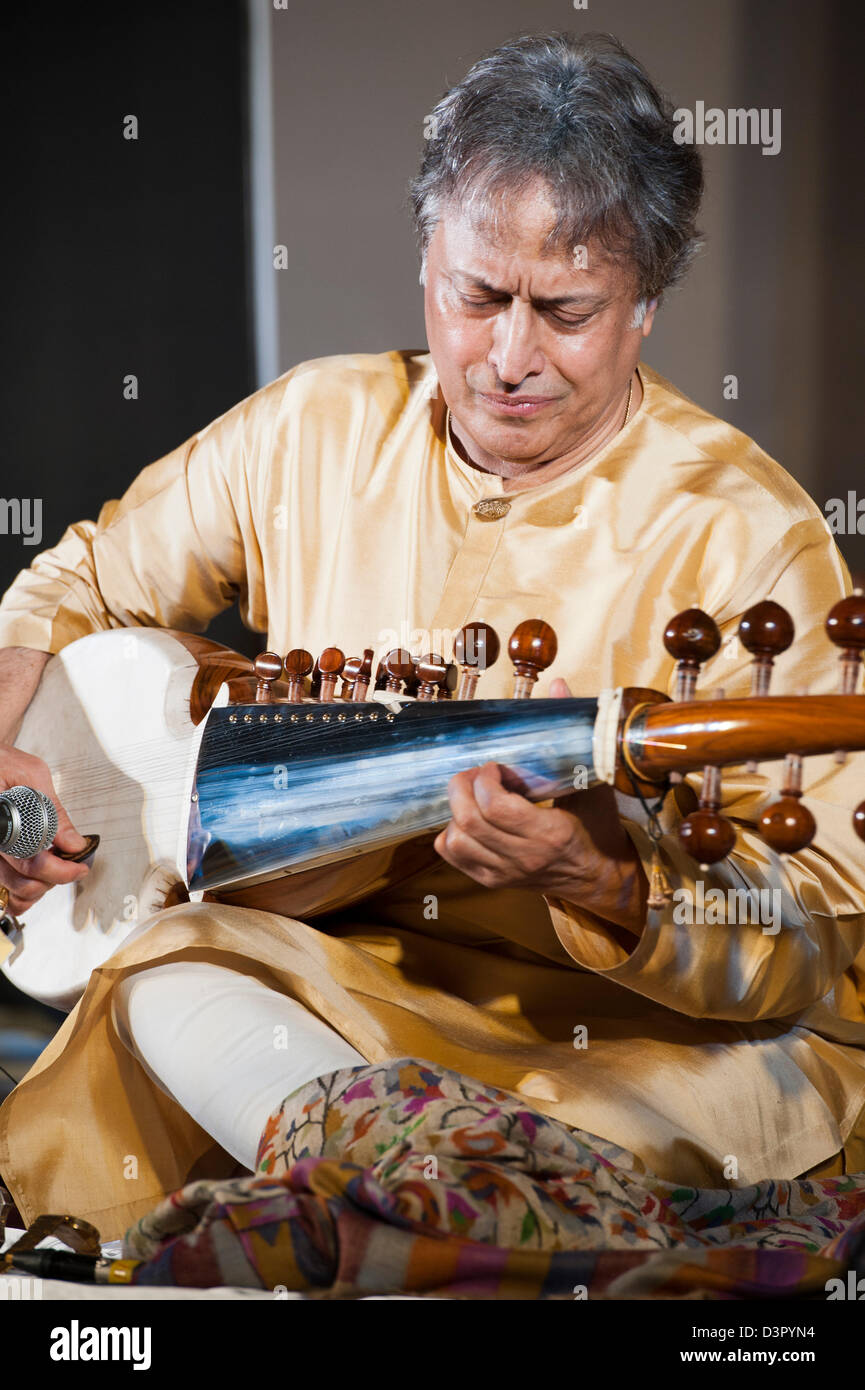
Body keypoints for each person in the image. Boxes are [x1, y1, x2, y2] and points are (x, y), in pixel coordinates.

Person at [0, 32, 864, 1241]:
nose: (509, 358)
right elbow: (76, 577)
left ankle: (394, 1198)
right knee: (166, 970)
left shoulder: (746, 537)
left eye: (564, 312)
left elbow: (820, 928)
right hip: (350, 979)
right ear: (426, 262)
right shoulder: (314, 428)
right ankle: (412, 1192)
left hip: (631, 1034)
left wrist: (604, 882)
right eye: (478, 297)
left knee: (610, 1126)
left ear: (645, 304)